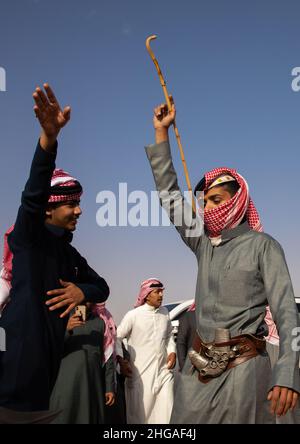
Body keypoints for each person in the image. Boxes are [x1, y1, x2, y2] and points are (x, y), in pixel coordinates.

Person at [145, 101, 299, 424]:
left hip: (244, 374)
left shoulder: (264, 247)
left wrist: (286, 371)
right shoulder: (204, 243)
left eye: (216, 201)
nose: (208, 208)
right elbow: (170, 197)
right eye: (204, 203)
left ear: (238, 201)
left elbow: (286, 313)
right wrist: (162, 133)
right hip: (197, 372)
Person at [0, 84, 110, 412]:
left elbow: (101, 287)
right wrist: (48, 141)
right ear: (50, 208)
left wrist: (80, 290)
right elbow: (32, 195)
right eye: (72, 204)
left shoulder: (69, 255)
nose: (79, 211)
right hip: (14, 375)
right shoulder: (30, 238)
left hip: (44, 377)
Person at [116, 278, 176, 424]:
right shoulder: (133, 315)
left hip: (163, 373)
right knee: (141, 415)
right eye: (157, 292)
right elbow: (117, 337)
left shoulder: (164, 313)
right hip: (140, 375)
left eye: (162, 291)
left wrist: (172, 352)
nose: (161, 295)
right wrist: (121, 361)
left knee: (166, 412)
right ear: (147, 294)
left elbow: (168, 336)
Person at [50, 302, 116, 424]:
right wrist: (66, 329)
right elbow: (47, 347)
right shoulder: (60, 317)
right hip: (65, 384)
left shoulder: (102, 322)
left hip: (93, 385)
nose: (85, 300)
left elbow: (108, 357)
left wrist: (109, 387)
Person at [176, 302, 196, 372]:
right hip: (192, 367)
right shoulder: (188, 317)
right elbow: (181, 342)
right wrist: (184, 367)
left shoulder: (216, 318)